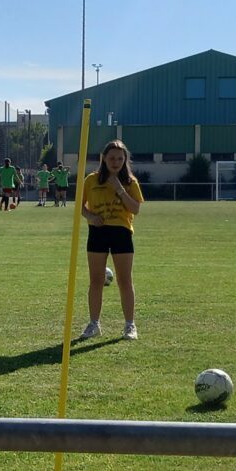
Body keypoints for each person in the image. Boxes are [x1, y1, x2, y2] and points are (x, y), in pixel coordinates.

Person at [79, 140, 145, 341]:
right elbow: (80, 207)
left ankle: (129, 325)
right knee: (96, 280)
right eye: (111, 158)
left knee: (125, 280)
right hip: (97, 232)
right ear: (104, 159)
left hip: (121, 233)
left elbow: (135, 209)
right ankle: (94, 324)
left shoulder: (130, 181)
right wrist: (90, 217)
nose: (115, 162)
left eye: (119, 158)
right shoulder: (91, 180)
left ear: (125, 160)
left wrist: (119, 189)